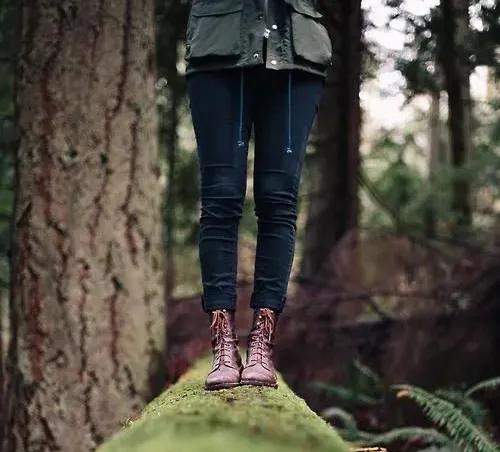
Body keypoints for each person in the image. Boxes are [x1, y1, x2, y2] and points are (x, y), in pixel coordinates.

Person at [184, 0, 332, 390]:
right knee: (220, 198)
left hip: (296, 55)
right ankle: (223, 347)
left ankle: (262, 346)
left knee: (279, 200)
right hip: (219, 49)